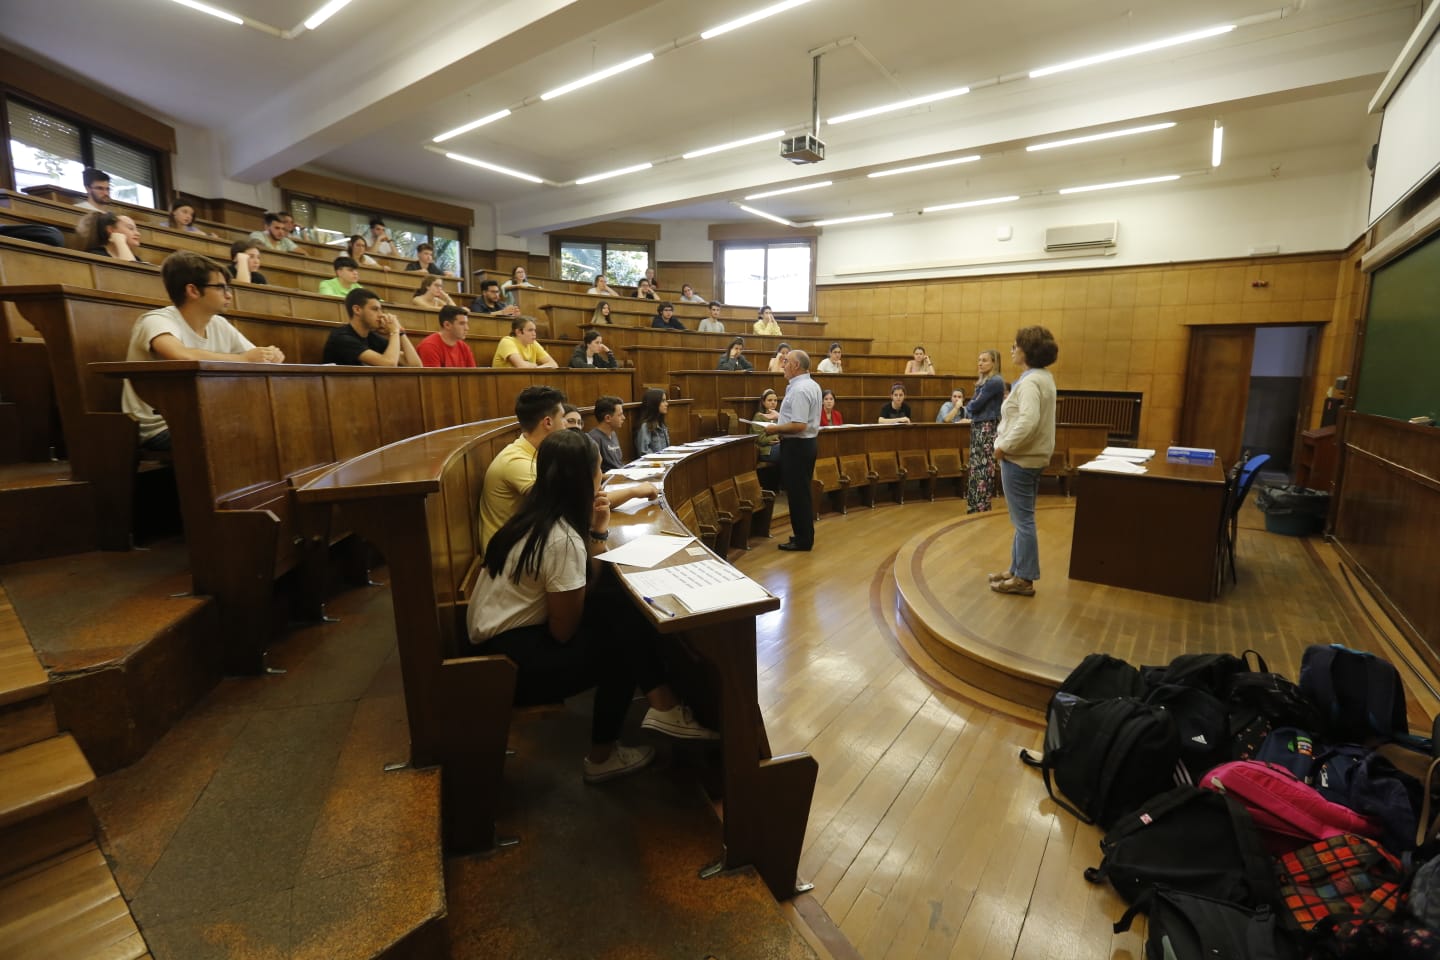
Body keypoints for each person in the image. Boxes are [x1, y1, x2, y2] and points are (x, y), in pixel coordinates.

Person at [468, 429, 714, 786]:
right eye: (600, 470)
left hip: (503, 643)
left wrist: (598, 533)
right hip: (507, 664)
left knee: (619, 605)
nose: (603, 477)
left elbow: (581, 588)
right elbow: (563, 630)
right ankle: (605, 755)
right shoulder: (559, 538)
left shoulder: (534, 516)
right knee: (620, 644)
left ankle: (664, 705)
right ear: (585, 478)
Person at [121, 252, 284, 451]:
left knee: (277, 425)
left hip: (206, 417)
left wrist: (270, 355)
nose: (229, 294)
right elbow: (181, 355)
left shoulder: (218, 323)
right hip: (160, 426)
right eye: (220, 287)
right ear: (193, 291)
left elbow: (256, 356)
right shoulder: (156, 320)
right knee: (243, 436)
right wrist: (243, 358)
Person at [480, 387, 655, 548]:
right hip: (511, 554)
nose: (567, 425)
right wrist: (635, 491)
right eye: (563, 418)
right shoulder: (517, 461)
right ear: (548, 422)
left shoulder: (539, 453)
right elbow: (578, 504)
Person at [991, 327, 1059, 597]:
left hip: (1020, 459)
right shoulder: (1042, 377)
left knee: (1023, 521)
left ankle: (1025, 578)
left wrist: (1004, 447)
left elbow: (1027, 421)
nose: (1011, 349)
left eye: (1015, 345)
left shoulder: (1031, 382)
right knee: (1023, 518)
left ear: (1027, 351)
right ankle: (1016, 569)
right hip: (1032, 457)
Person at [760, 349, 821, 552]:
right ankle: (803, 535)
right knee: (800, 492)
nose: (783, 365)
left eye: (786, 362)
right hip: (806, 445)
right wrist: (781, 417)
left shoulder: (799, 389)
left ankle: (803, 540)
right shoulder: (811, 385)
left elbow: (799, 425)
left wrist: (774, 428)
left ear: (795, 366)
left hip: (797, 446)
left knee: (798, 494)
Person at [323, 287, 422, 367]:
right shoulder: (341, 337)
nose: (381, 315)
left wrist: (400, 333)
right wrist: (394, 331)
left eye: (381, 310)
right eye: (375, 309)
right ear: (357, 310)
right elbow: (389, 364)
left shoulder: (373, 338)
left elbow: (416, 365)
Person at [959, 349, 1005, 513]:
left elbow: (974, 405)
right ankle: (975, 505)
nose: (980, 363)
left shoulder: (995, 381)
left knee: (984, 467)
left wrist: (970, 408)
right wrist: (971, 408)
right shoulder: (984, 381)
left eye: (984, 360)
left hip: (987, 427)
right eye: (979, 360)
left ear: (994, 362)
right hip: (979, 426)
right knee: (976, 467)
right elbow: (973, 405)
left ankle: (981, 506)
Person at [493, 317, 557, 368]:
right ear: (518, 332)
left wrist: (536, 367)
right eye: (530, 330)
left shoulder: (534, 343)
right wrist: (534, 365)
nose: (534, 334)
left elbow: (554, 364)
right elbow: (521, 366)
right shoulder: (507, 342)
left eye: (534, 330)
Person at [588, 395, 628, 471]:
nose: (624, 417)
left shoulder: (613, 434)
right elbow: (593, 473)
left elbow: (618, 464)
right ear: (608, 418)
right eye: (620, 415)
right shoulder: (593, 439)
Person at [750, 388, 781, 469]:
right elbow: (761, 439)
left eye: (775, 400)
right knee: (789, 452)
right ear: (763, 402)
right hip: (765, 450)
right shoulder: (758, 416)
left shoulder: (777, 416)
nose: (773, 402)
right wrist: (777, 435)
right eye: (770, 400)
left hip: (778, 445)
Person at [634, 388, 671, 454]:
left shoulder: (662, 424)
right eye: (663, 401)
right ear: (654, 404)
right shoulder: (645, 426)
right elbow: (644, 452)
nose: (666, 404)